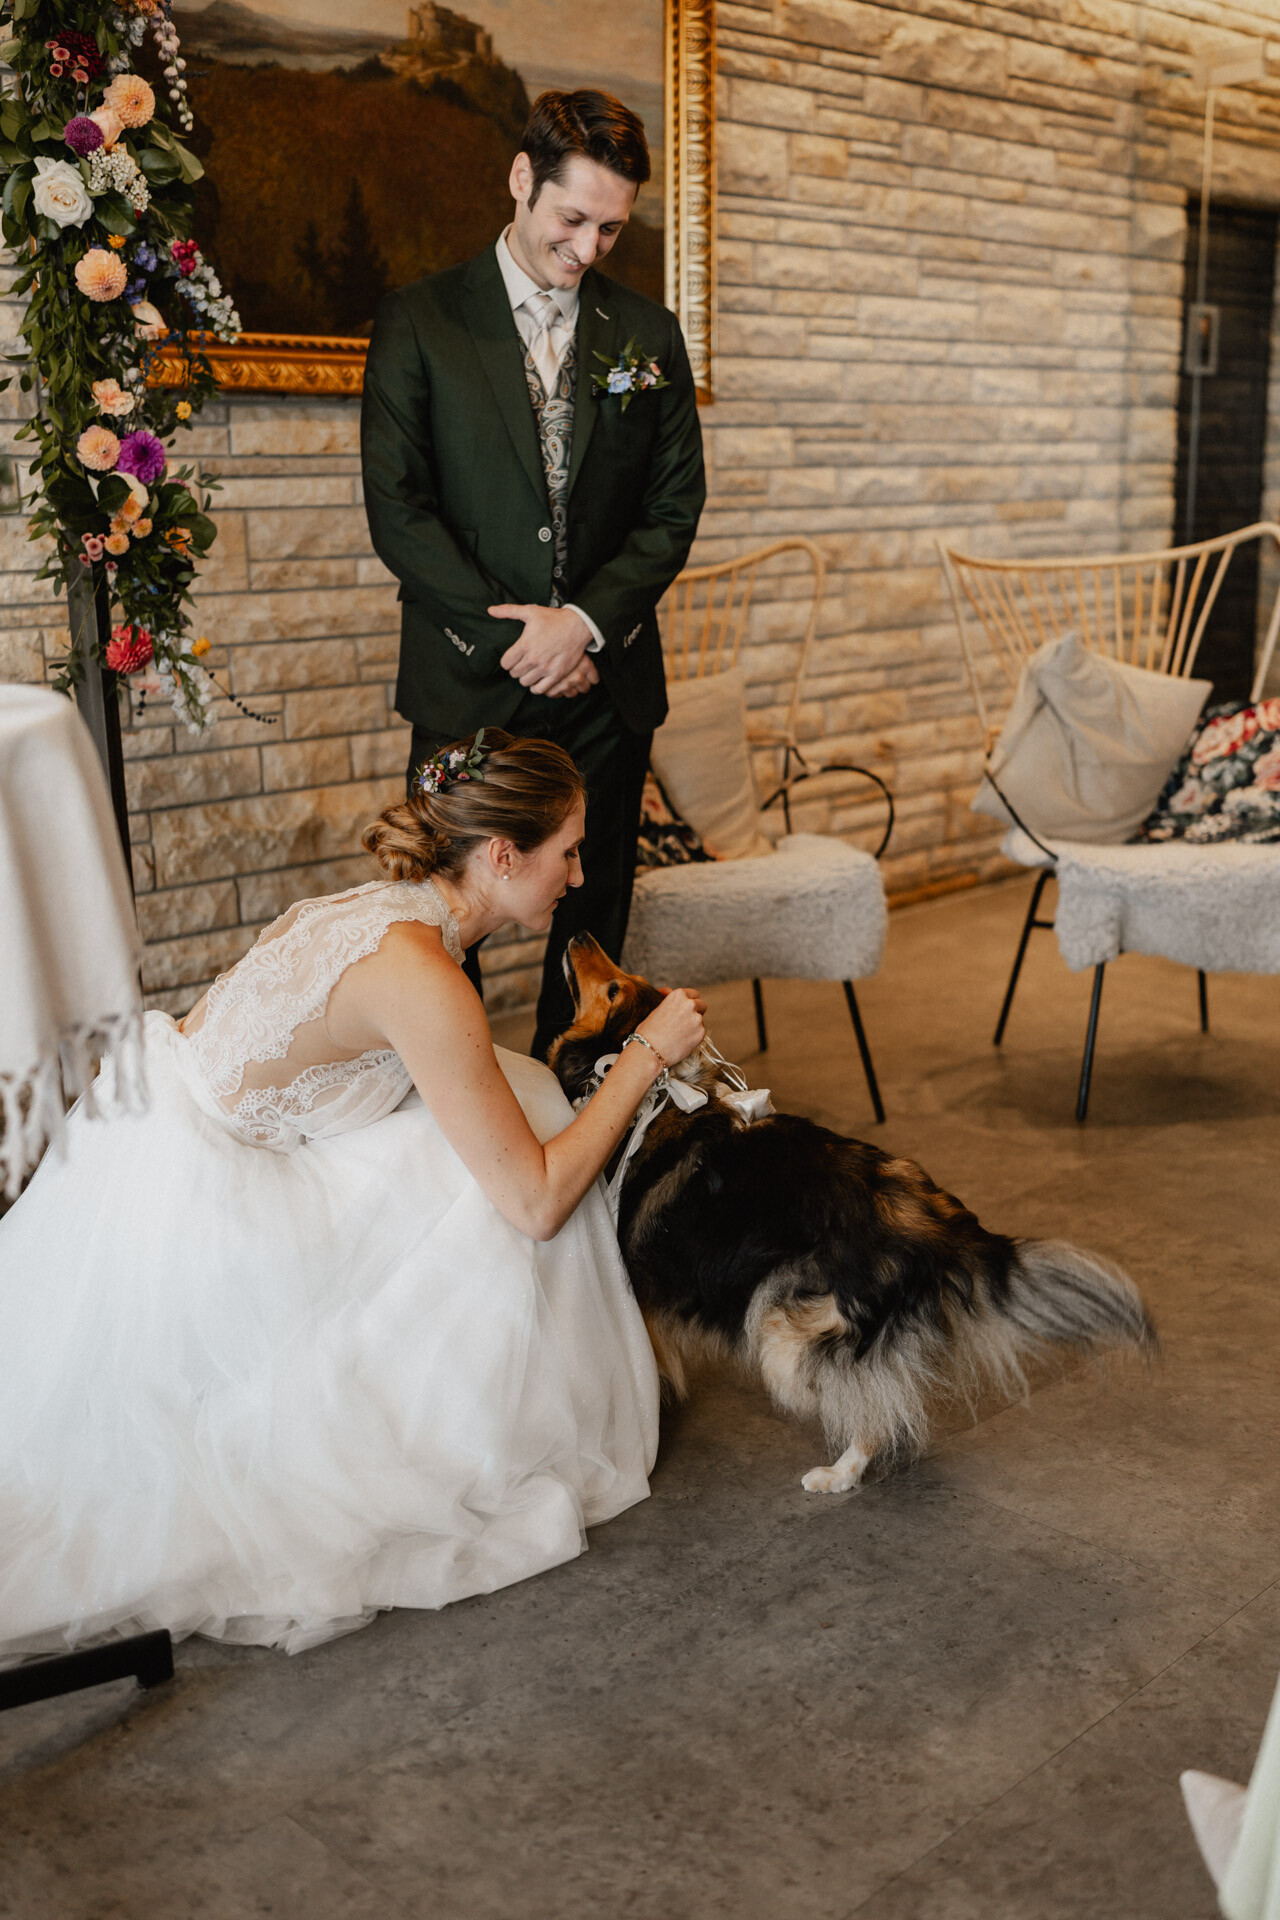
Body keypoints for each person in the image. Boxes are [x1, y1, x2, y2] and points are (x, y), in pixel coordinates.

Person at [0, 732, 706, 1660]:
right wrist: (649, 1052)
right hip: (208, 1219)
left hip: (156, 1137)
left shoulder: (384, 909)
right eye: (566, 852)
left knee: (520, 1099)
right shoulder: (423, 975)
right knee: (515, 1195)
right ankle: (485, 1417)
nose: (578, 876)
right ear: (502, 856)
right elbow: (535, 1203)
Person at [361, 87, 706, 1059]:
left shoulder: (647, 336)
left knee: (591, 917)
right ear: (521, 180)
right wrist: (519, 638)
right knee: (445, 914)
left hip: (605, 684)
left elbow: (673, 507)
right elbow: (400, 512)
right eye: (572, 218)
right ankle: (466, 1134)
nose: (590, 248)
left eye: (610, 227)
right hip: (469, 676)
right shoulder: (421, 321)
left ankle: (571, 1109)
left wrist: (584, 627)